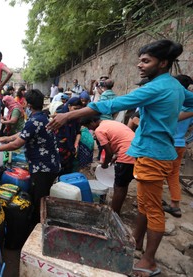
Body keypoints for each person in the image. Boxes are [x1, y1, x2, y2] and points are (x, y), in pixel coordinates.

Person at [47, 39, 193, 277]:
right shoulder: (175, 87)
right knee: (145, 204)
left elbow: (115, 103)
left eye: (146, 61)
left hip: (153, 153)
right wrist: (172, 116)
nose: (139, 65)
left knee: (153, 209)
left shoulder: (157, 87)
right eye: (139, 60)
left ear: (163, 63)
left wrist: (68, 117)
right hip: (157, 152)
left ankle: (149, 262)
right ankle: (136, 241)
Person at [0, 89, 60, 223]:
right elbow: (24, 133)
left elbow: (17, 144)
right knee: (38, 196)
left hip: (43, 168)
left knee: (40, 201)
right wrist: (5, 139)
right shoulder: (41, 117)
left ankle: (37, 227)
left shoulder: (35, 120)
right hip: (49, 165)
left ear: (28, 104)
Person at [80, 116, 135, 214]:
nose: (90, 129)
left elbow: (108, 152)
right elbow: (124, 139)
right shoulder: (109, 123)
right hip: (137, 151)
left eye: (89, 126)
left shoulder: (99, 130)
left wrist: (105, 165)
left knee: (119, 186)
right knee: (123, 184)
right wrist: (117, 155)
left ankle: (113, 213)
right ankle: (117, 209)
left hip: (127, 155)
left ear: (93, 121)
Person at [163, 74, 193, 218]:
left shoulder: (174, 102)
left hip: (167, 144)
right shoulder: (189, 105)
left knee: (157, 174)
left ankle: (151, 202)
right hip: (180, 144)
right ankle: (175, 205)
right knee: (173, 175)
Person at [55, 97, 83, 174]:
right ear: (69, 106)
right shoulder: (59, 116)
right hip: (60, 146)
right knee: (59, 166)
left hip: (71, 146)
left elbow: (78, 132)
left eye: (79, 109)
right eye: (75, 108)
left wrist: (76, 144)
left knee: (68, 166)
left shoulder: (76, 118)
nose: (77, 111)